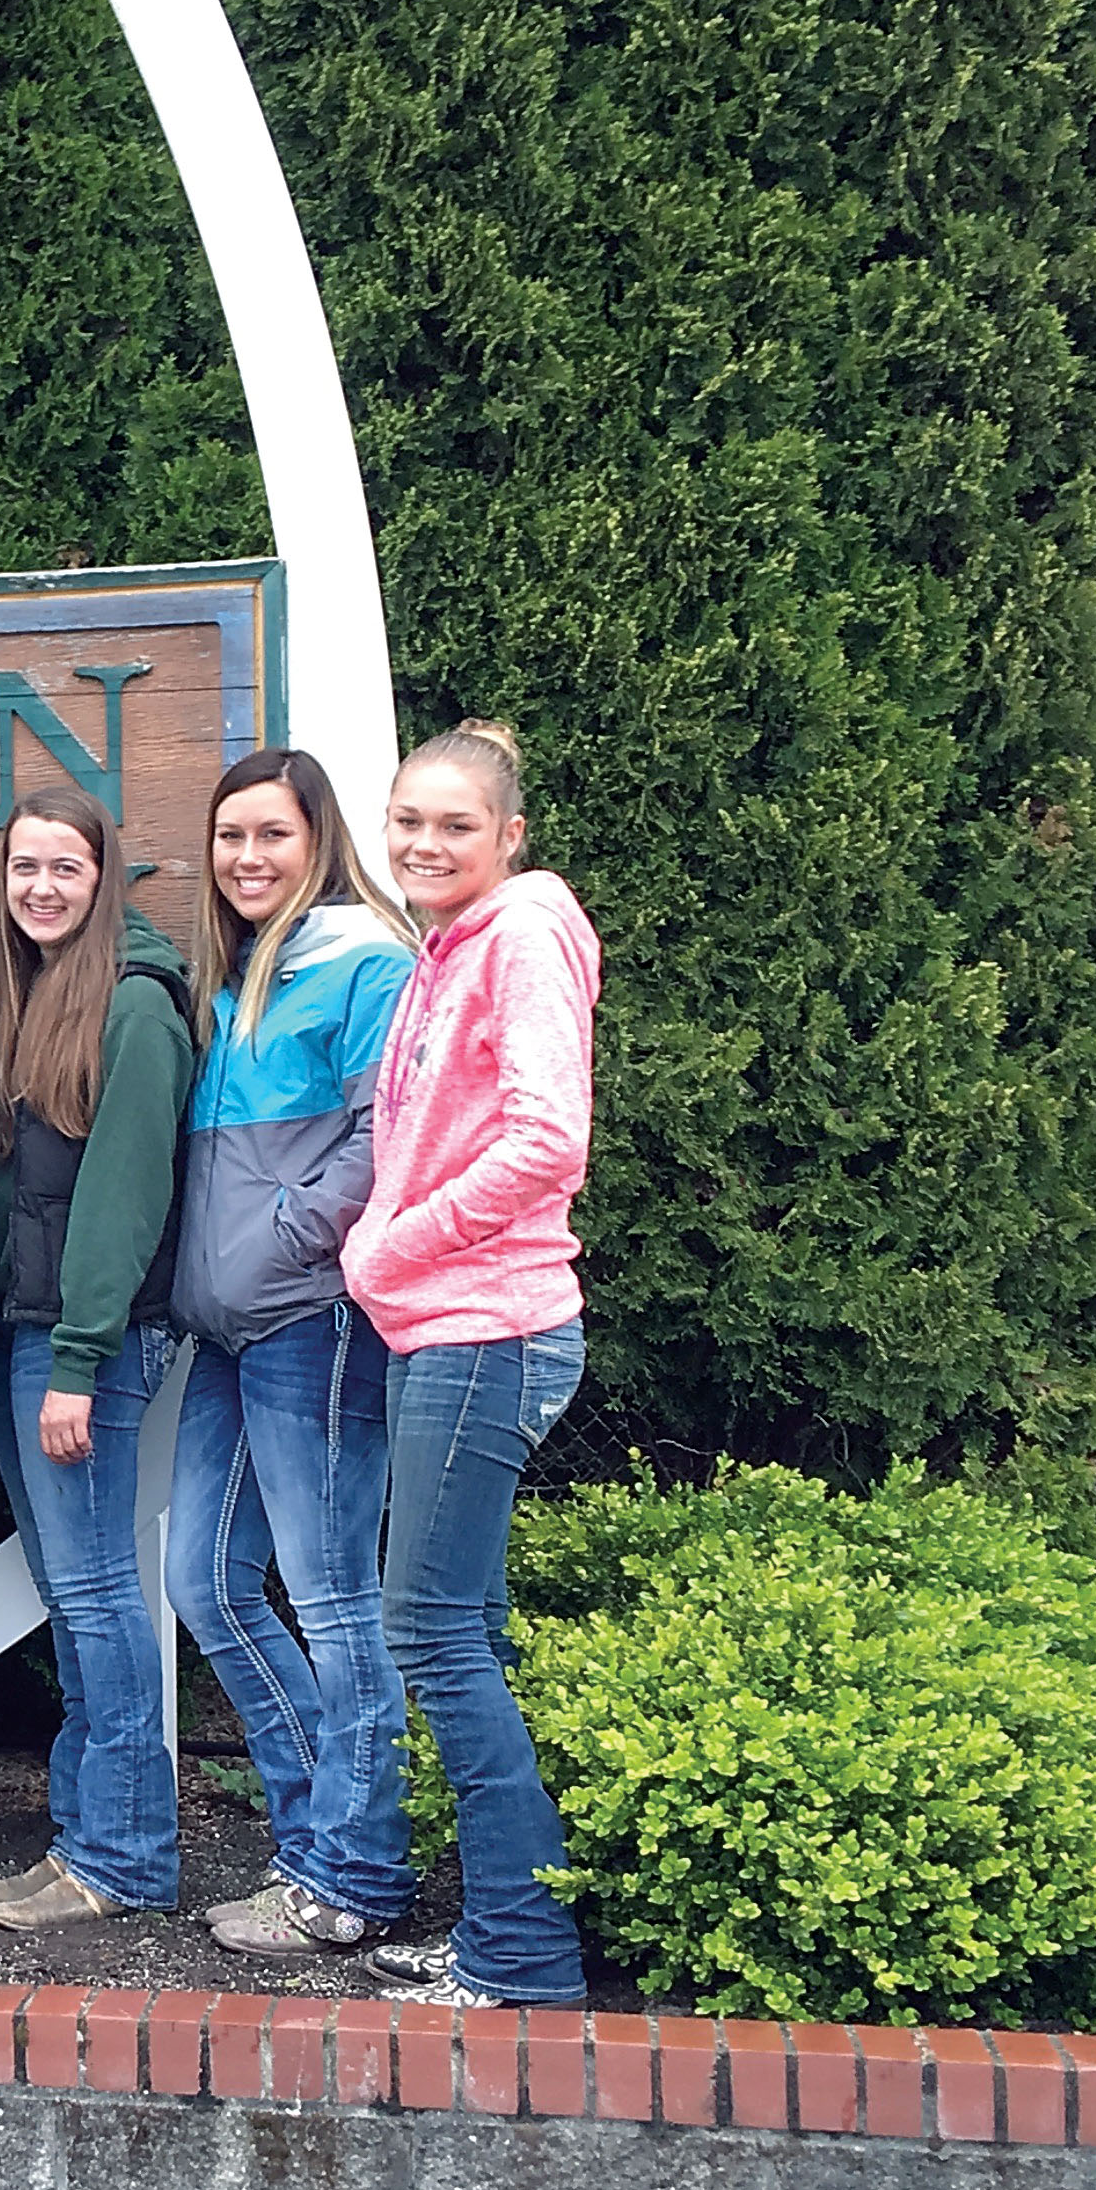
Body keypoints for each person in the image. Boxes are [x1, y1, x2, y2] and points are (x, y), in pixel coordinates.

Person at [341, 721, 604, 2011]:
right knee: (464, 1633)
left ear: (510, 836)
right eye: (409, 821)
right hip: (443, 1325)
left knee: (431, 1633)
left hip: (484, 1326)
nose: (426, 844)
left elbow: (550, 1142)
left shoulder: (523, 935)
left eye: (456, 825)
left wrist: (395, 1245)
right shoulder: (449, 950)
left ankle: (523, 1954)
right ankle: (501, 1923)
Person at [164, 753, 422, 1962]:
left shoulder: (367, 961)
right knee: (206, 1585)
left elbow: (385, 1136)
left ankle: (357, 1873)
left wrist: (283, 1238)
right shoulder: (233, 976)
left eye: (272, 834)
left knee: (334, 1603)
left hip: (313, 1321)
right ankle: (315, 1837)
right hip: (227, 1332)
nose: (247, 857)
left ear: (318, 840)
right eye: (231, 836)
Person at [0, 782, 198, 1934]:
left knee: (101, 1592)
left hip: (82, 1346)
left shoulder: (137, 1005)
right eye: (25, 867)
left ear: (104, 879)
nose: (43, 887)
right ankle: (83, 1837)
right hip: (26, 1333)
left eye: (66, 867)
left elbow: (123, 1196)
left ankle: (129, 1854)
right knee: (72, 1594)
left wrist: (78, 1359)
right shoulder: (21, 994)